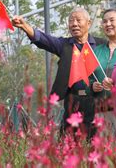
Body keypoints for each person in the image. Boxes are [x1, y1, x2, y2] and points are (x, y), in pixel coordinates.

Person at [12, 8, 105, 138]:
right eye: (71, 21)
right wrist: (25, 26)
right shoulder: (65, 45)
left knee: (97, 143)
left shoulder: (103, 45)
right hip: (73, 101)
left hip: (97, 102)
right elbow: (44, 40)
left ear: (89, 23)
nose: (74, 24)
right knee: (68, 143)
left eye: (78, 20)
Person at [91, 9, 116, 124]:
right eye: (105, 21)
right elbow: (87, 76)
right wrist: (92, 85)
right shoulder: (96, 51)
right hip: (99, 111)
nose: (108, 24)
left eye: (112, 20)